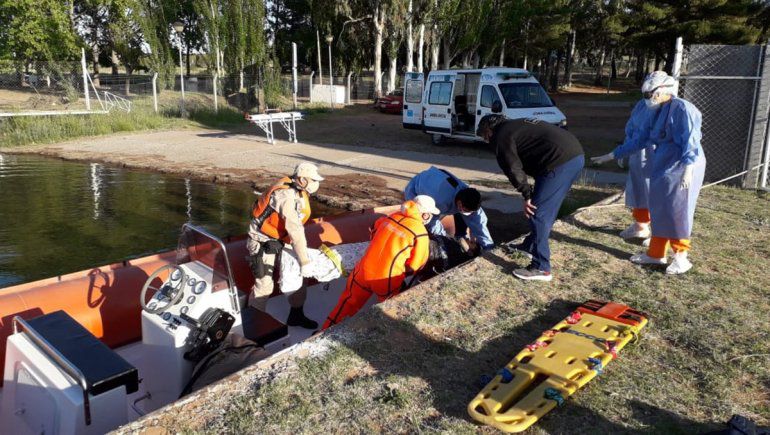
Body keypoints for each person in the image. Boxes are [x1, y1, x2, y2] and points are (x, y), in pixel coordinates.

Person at [591, 71, 706, 274]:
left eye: (648, 95)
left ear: (662, 91)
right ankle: (656, 253)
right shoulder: (656, 110)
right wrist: (612, 154)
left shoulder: (683, 109)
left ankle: (681, 257)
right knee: (659, 206)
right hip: (663, 164)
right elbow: (641, 139)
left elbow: (691, 141)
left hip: (682, 165)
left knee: (677, 209)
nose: (646, 100)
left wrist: (688, 169)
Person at [476, 116, 585, 281]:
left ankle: (542, 268)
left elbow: (513, 168)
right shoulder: (514, 126)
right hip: (573, 156)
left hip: (558, 162)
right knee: (545, 209)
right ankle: (530, 246)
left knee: (538, 213)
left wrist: (527, 195)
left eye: (485, 136)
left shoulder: (501, 136)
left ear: (489, 130)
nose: (487, 140)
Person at [322, 195, 439, 329]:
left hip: (362, 270)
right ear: (425, 215)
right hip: (386, 279)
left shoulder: (390, 218)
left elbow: (373, 234)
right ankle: (386, 332)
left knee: (347, 303)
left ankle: (325, 330)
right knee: (389, 309)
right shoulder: (420, 233)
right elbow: (416, 265)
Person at [247, 162, 323, 329]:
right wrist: (304, 261)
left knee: (298, 278)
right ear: (302, 179)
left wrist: (302, 265)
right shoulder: (285, 196)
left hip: (282, 238)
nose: (316, 184)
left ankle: (296, 316)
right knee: (264, 286)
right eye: (313, 180)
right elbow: (295, 229)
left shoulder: (299, 190)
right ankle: (254, 326)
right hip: (262, 240)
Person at [404, 166, 494, 250]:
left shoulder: (467, 195)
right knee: (422, 219)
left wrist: (488, 247)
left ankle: (460, 237)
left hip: (437, 178)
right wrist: (447, 242)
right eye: (466, 210)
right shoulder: (441, 201)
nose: (468, 213)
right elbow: (433, 222)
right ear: (459, 203)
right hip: (417, 187)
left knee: (468, 216)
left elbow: (478, 221)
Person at [616, 99, 659, 243]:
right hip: (637, 151)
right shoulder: (642, 104)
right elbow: (632, 127)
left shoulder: (673, 108)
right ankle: (640, 225)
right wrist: (624, 149)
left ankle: (658, 233)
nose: (651, 95)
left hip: (658, 154)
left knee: (655, 193)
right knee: (638, 189)